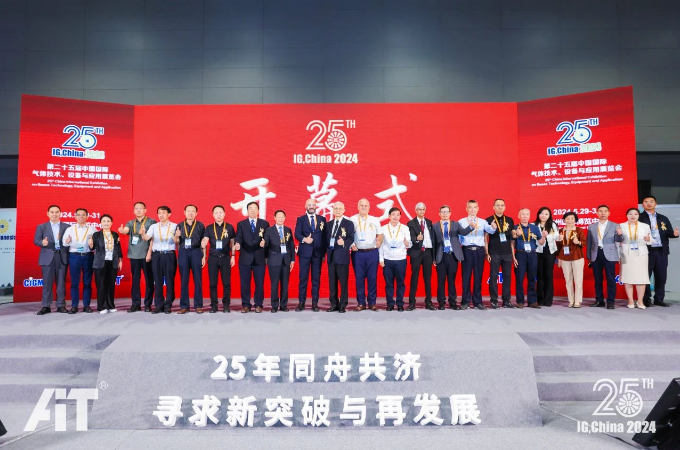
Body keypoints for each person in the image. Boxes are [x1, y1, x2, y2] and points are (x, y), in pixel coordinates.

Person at [639, 195, 679, 307]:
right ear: (643, 205)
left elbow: (669, 232)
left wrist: (674, 234)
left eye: (651, 201)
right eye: (646, 202)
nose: (649, 204)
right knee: (645, 276)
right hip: (646, 251)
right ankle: (646, 299)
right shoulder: (640, 218)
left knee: (661, 276)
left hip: (661, 251)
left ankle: (659, 299)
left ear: (655, 204)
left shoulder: (663, 218)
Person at [432, 205, 473, 310]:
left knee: (451, 280)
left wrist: (471, 227)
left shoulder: (455, 224)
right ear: (439, 214)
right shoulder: (435, 226)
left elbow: (463, 232)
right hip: (441, 256)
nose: (445, 214)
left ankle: (453, 302)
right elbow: (434, 243)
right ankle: (441, 302)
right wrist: (434, 258)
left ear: (450, 213)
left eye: (447, 212)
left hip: (453, 256)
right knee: (441, 281)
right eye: (443, 212)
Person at [459, 200, 497, 310]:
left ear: (478, 209)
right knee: (466, 277)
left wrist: (493, 227)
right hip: (466, 250)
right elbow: (459, 237)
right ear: (466, 209)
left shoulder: (482, 221)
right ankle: (465, 301)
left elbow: (490, 230)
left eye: (474, 207)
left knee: (478, 276)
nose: (472, 209)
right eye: (470, 207)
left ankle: (477, 302)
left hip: (479, 251)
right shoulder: (461, 221)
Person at [118, 202, 155, 312]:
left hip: (147, 256)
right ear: (134, 210)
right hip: (134, 256)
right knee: (135, 281)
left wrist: (149, 253)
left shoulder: (151, 222)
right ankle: (135, 304)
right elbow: (126, 229)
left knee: (149, 280)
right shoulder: (130, 223)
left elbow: (153, 239)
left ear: (145, 210)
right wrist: (123, 231)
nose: (138, 210)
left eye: (141, 208)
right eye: (136, 208)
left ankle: (148, 304)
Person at [34, 205, 70, 315]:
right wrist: (42, 243)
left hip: (61, 256)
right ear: (48, 214)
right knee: (47, 283)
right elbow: (36, 240)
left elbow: (71, 241)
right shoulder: (42, 227)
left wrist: (69, 241)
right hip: (47, 257)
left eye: (57, 212)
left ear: (60, 213)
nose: (54, 214)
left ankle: (61, 305)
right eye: (52, 212)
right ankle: (46, 306)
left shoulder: (67, 227)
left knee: (61, 283)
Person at [234, 202, 269, 313]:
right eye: (250, 208)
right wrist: (237, 244)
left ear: (258, 211)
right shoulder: (241, 224)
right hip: (245, 257)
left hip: (259, 257)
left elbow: (267, 238)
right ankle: (246, 305)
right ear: (247, 211)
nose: (253, 210)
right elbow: (238, 237)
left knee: (259, 283)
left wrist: (265, 243)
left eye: (255, 208)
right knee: (245, 283)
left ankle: (258, 304)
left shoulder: (264, 223)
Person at [350, 198, 383, 311]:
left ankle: (372, 303)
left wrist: (379, 241)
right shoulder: (352, 219)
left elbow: (380, 234)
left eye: (366, 206)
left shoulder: (374, 220)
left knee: (372, 278)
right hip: (357, 253)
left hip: (372, 252)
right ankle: (361, 303)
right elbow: (349, 235)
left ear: (369, 207)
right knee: (359, 278)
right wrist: (351, 245)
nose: (363, 207)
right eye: (361, 205)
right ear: (358, 207)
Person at [294, 199, 327, 312]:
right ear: (305, 206)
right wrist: (304, 239)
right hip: (305, 254)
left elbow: (324, 237)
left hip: (318, 254)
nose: (311, 206)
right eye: (309, 205)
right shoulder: (301, 219)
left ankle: (315, 303)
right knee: (303, 279)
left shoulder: (322, 219)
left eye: (313, 204)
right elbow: (297, 233)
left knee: (316, 279)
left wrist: (323, 253)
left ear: (316, 206)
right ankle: (301, 303)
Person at [143, 206, 177, 314]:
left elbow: (177, 241)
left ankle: (168, 305)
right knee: (157, 281)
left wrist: (177, 237)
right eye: (159, 213)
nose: (161, 215)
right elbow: (147, 238)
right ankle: (159, 305)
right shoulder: (154, 226)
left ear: (169, 214)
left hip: (169, 255)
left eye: (163, 213)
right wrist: (143, 233)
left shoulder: (175, 226)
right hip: (157, 255)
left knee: (170, 281)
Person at [202, 205, 236, 313]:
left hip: (225, 258)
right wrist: (203, 245)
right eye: (216, 213)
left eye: (220, 212)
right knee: (213, 283)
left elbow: (233, 242)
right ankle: (214, 305)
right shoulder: (209, 228)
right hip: (213, 258)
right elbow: (205, 241)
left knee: (226, 283)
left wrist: (233, 256)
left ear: (224, 214)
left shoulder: (229, 227)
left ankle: (226, 305)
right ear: (213, 215)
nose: (218, 215)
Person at [586, 205, 621, 310]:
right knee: (598, 279)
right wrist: (589, 257)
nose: (603, 213)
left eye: (605, 211)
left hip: (610, 254)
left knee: (610, 279)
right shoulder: (591, 227)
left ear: (609, 213)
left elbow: (619, 240)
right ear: (597, 213)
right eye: (600, 211)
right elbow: (589, 242)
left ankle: (610, 301)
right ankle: (599, 300)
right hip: (596, 254)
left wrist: (620, 234)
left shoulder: (615, 225)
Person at [61, 208, 95, 314]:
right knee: (74, 282)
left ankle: (86, 305)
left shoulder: (92, 229)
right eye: (79, 215)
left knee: (87, 282)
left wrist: (92, 244)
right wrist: (67, 241)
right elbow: (64, 243)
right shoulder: (70, 229)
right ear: (75, 217)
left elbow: (96, 244)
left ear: (87, 216)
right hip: (74, 256)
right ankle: (74, 306)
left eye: (83, 215)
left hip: (88, 256)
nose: (81, 216)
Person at [512, 208, 547, 309]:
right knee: (519, 279)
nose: (525, 216)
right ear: (519, 216)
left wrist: (544, 236)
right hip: (520, 254)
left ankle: (532, 301)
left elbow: (541, 242)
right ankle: (520, 301)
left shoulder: (534, 228)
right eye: (523, 214)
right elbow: (512, 242)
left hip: (532, 254)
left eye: (527, 214)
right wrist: (513, 257)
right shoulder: (515, 227)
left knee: (532, 278)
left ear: (529, 215)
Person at [379, 207, 412, 311]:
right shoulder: (383, 229)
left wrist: (408, 243)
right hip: (387, 259)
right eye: (393, 215)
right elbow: (381, 245)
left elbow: (409, 243)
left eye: (398, 215)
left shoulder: (405, 228)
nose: (395, 217)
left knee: (400, 283)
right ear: (389, 216)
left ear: (400, 216)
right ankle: (390, 304)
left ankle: (400, 303)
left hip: (401, 259)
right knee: (389, 284)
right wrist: (381, 259)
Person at [174, 204, 206, 314]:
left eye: (193, 211)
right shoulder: (179, 225)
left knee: (198, 279)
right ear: (184, 212)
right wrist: (177, 236)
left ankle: (198, 305)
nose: (190, 213)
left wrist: (204, 256)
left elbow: (204, 242)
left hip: (196, 251)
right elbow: (176, 241)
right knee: (184, 280)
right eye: (188, 211)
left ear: (196, 213)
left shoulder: (200, 225)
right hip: (183, 252)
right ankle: (184, 306)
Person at [262, 210, 295, 312]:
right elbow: (266, 243)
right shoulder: (269, 230)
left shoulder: (288, 230)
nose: (280, 219)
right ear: (274, 218)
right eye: (278, 217)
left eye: (282, 217)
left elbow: (291, 246)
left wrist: (292, 260)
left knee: (285, 284)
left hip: (286, 260)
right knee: (275, 284)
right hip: (274, 260)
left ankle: (284, 305)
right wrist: (263, 243)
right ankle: (274, 305)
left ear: (285, 218)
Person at [618, 208, 651, 309]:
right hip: (626, 254)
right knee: (628, 277)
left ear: (638, 215)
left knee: (641, 278)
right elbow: (617, 242)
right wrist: (618, 255)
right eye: (630, 214)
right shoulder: (621, 226)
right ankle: (630, 300)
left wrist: (648, 239)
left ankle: (640, 301)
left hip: (641, 254)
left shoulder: (645, 226)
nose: (633, 216)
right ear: (626, 215)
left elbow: (650, 240)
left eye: (635, 214)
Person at [89, 214, 123, 314]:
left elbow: (118, 248)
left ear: (111, 223)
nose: (106, 223)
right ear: (100, 223)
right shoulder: (96, 234)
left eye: (108, 221)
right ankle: (102, 307)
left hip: (112, 262)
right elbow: (93, 247)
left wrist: (120, 260)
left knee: (111, 285)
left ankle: (111, 305)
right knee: (101, 285)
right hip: (100, 262)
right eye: (104, 221)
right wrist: (90, 244)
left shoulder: (115, 234)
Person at [485, 199, 516, 308]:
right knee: (493, 276)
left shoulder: (510, 220)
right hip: (494, 252)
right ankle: (494, 300)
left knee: (507, 276)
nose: (500, 207)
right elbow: (485, 237)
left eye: (502, 205)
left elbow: (512, 237)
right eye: (497, 205)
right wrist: (487, 253)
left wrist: (517, 234)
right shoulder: (488, 220)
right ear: (493, 207)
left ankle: (506, 300)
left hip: (507, 252)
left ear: (505, 207)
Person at [326, 202, 354, 313]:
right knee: (332, 283)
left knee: (343, 283)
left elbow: (351, 238)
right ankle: (333, 304)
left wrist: (344, 243)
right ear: (333, 210)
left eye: (340, 208)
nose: (337, 210)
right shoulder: (328, 224)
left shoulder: (348, 223)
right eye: (335, 208)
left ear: (344, 210)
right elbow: (325, 240)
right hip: (331, 257)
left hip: (342, 257)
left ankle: (342, 305)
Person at [407, 202, 436, 310]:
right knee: (414, 277)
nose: (422, 211)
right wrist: (416, 239)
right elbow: (411, 237)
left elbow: (432, 238)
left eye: (423, 209)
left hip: (428, 252)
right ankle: (412, 302)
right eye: (420, 209)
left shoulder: (429, 222)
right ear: (416, 211)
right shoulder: (411, 223)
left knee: (428, 278)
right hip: (416, 252)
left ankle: (428, 302)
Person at [556, 212, 586, 308]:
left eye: (572, 218)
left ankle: (577, 301)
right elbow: (558, 246)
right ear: (564, 220)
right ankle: (571, 300)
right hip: (564, 258)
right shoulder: (560, 231)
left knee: (578, 280)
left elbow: (584, 242)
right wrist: (559, 258)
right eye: (567, 218)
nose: (569, 220)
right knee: (568, 280)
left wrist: (578, 242)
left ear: (575, 220)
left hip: (577, 257)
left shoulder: (579, 230)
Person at [534, 207, 559, 307]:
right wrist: (541, 237)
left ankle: (548, 300)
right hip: (537, 252)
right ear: (538, 214)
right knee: (540, 276)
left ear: (549, 216)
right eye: (542, 213)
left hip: (550, 252)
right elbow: (532, 238)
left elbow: (557, 236)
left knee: (548, 276)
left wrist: (547, 235)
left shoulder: (552, 224)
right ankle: (540, 299)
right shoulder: (534, 225)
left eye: (546, 214)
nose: (543, 216)